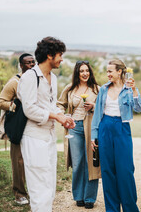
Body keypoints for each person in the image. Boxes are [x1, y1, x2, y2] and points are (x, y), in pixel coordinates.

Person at [18, 36, 75, 212]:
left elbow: (50, 105)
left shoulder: (54, 79)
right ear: (50, 55)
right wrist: (55, 117)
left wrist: (62, 116)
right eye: (60, 55)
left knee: (49, 184)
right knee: (39, 186)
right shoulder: (29, 77)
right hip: (33, 137)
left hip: (49, 137)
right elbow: (29, 109)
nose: (61, 59)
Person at [91, 59, 141, 212]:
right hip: (105, 128)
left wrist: (134, 91)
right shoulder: (103, 89)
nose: (108, 74)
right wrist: (94, 136)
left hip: (122, 128)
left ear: (119, 71)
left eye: (110, 71)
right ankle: (112, 209)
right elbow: (97, 114)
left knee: (125, 170)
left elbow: (139, 108)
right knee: (108, 171)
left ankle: (130, 208)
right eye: (107, 71)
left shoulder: (129, 89)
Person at [57, 60, 101, 209]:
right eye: (81, 71)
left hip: (91, 129)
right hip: (74, 128)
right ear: (77, 72)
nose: (85, 73)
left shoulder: (96, 89)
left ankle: (89, 198)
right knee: (77, 164)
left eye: (87, 70)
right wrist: (63, 117)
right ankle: (78, 196)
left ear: (90, 72)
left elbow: (105, 107)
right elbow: (59, 104)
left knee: (91, 163)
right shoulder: (70, 89)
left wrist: (94, 106)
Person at [0, 53, 35, 205]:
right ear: (21, 65)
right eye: (28, 63)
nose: (31, 65)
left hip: (33, 126)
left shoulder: (37, 80)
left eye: (33, 62)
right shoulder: (14, 82)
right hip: (18, 126)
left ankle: (33, 190)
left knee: (32, 160)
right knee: (18, 161)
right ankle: (19, 193)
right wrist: (15, 106)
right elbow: (1, 102)